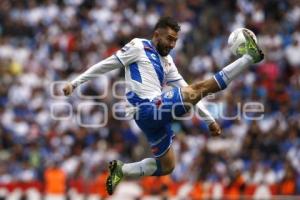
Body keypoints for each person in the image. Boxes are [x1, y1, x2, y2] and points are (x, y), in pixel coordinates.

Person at [62, 17, 263, 195]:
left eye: (175, 40)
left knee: (167, 166)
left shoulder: (167, 62)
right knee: (202, 87)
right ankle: (248, 58)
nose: (172, 44)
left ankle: (122, 170)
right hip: (147, 108)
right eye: (169, 39)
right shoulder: (138, 46)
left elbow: (186, 89)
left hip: (153, 119)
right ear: (156, 34)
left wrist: (209, 120)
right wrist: (76, 82)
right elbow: (108, 64)